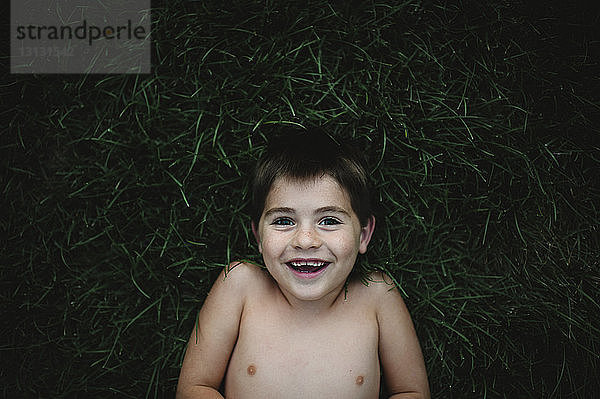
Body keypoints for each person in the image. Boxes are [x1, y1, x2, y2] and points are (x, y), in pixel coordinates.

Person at [176, 127, 430, 398]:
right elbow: (194, 387)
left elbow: (411, 391)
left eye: (329, 221)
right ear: (258, 236)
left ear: (364, 235)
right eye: (284, 221)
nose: (306, 240)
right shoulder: (240, 284)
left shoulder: (377, 295)